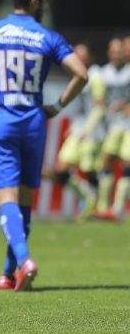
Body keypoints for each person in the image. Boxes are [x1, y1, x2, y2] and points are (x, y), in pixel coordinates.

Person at [0, 0, 87, 292]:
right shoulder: (47, 36)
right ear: (34, 1)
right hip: (34, 122)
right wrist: (56, 105)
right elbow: (80, 74)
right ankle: (7, 272)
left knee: (6, 198)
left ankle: (24, 260)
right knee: (25, 198)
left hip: (1, 120)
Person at [51, 42, 105, 221]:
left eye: (82, 54)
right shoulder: (77, 75)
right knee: (61, 169)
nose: (78, 57)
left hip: (91, 131)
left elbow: (99, 106)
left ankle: (96, 206)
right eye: (76, 53)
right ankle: (88, 199)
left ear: (90, 56)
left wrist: (86, 130)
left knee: (90, 170)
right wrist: (74, 127)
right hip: (79, 129)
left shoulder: (95, 75)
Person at [94, 36, 130, 220]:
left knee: (126, 163)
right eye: (114, 50)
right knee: (106, 162)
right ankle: (102, 206)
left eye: (120, 50)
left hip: (128, 125)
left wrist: (126, 108)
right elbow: (100, 99)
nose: (118, 53)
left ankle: (118, 208)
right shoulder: (103, 73)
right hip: (111, 124)